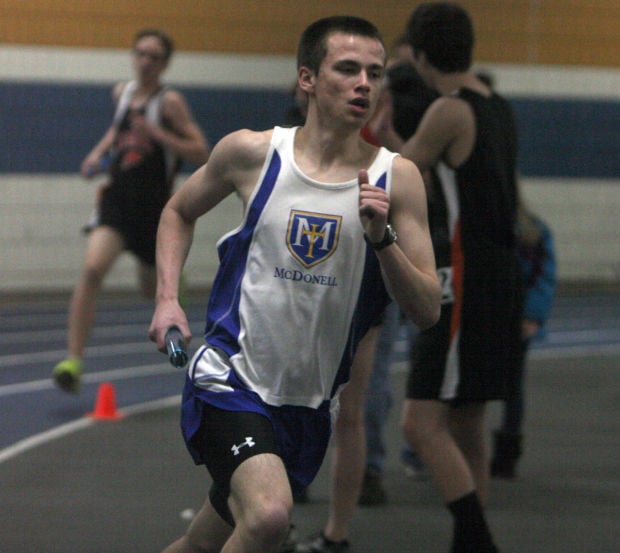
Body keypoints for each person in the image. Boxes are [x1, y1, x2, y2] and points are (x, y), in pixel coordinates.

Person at [148, 15, 440, 553]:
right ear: (307, 78)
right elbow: (176, 211)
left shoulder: (397, 179)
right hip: (231, 376)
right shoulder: (253, 153)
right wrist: (167, 298)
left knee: (202, 543)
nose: (364, 85)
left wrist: (384, 240)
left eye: (375, 74)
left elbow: (426, 311)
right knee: (268, 517)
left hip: (306, 406)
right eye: (348, 69)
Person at [373, 3, 523, 552]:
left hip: (463, 278)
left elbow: (399, 178)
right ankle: (471, 539)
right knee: (466, 421)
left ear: (421, 54)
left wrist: (379, 143)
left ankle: (477, 538)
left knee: (419, 423)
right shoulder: (497, 105)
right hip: (500, 276)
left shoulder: (448, 110)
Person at [52, 28, 210, 393]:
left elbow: (201, 151)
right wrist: (97, 154)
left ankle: (173, 288)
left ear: (165, 63)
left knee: (149, 289)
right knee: (92, 270)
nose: (145, 61)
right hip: (117, 202)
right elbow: (117, 130)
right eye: (140, 53)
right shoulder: (121, 93)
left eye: (154, 56)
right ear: (133, 55)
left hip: (154, 210)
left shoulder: (170, 102)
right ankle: (73, 361)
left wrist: (159, 134)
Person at [491, 202, 556, 478]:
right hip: (485, 317)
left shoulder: (533, 229)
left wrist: (532, 315)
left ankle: (507, 453)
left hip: (516, 320)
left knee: (513, 387)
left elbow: (544, 274)